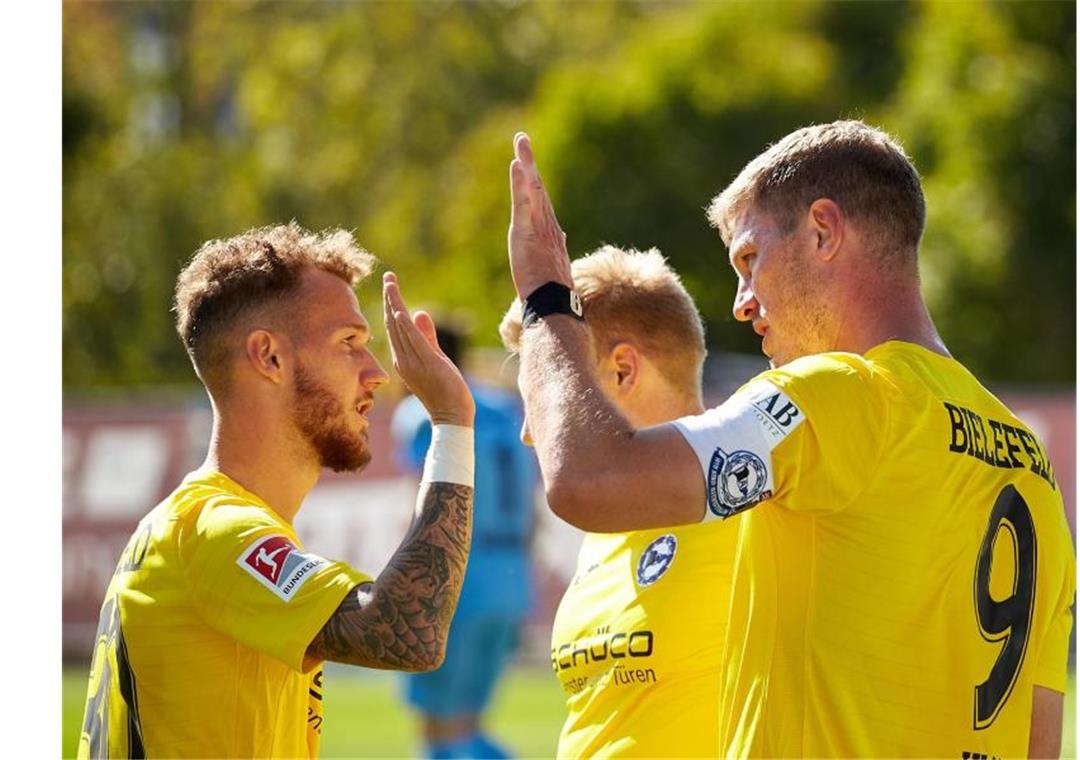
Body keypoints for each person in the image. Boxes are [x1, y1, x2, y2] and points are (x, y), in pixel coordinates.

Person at [504, 123, 1075, 758]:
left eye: (750, 260)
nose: (743, 303)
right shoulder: (1029, 463)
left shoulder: (838, 394)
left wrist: (546, 301)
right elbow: (1038, 741)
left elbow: (591, 479)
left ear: (824, 231)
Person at [78, 222, 477, 759]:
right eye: (350, 343)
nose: (378, 373)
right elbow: (408, 631)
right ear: (268, 357)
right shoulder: (212, 530)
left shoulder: (205, 524)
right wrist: (451, 424)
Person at [499, 244, 738, 758]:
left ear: (623, 371)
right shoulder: (603, 533)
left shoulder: (757, 507)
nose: (527, 432)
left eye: (543, 402)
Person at [390, 324, 536, 760]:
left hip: (456, 575)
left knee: (441, 730)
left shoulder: (424, 412)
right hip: (511, 575)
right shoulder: (505, 409)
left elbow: (423, 500)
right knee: (469, 724)